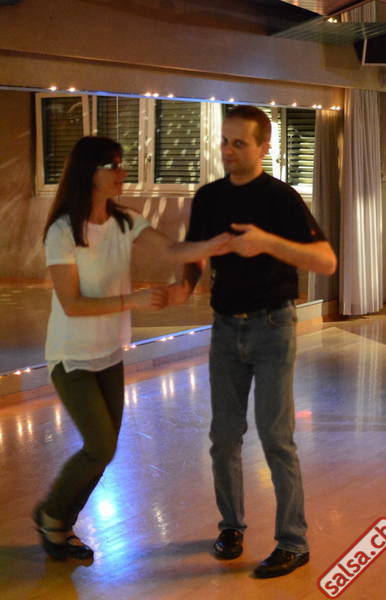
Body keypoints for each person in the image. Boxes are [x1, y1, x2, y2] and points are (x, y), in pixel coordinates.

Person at [34, 135, 231, 561]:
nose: (122, 172)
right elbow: (72, 304)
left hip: (110, 353)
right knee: (100, 447)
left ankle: (60, 525)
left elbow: (174, 249)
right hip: (72, 357)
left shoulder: (125, 221)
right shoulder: (63, 230)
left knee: (102, 452)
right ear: (89, 172)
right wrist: (134, 300)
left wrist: (216, 244)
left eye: (122, 163)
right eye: (113, 165)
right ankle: (50, 515)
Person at [166, 105, 337, 578]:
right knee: (224, 437)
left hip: (273, 328)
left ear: (264, 147)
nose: (229, 150)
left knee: (277, 438)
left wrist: (267, 242)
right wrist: (186, 284)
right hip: (225, 329)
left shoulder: (281, 198)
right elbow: (195, 253)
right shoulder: (208, 197)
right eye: (225, 141)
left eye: (239, 143)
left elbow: (326, 261)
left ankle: (294, 542)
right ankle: (231, 527)